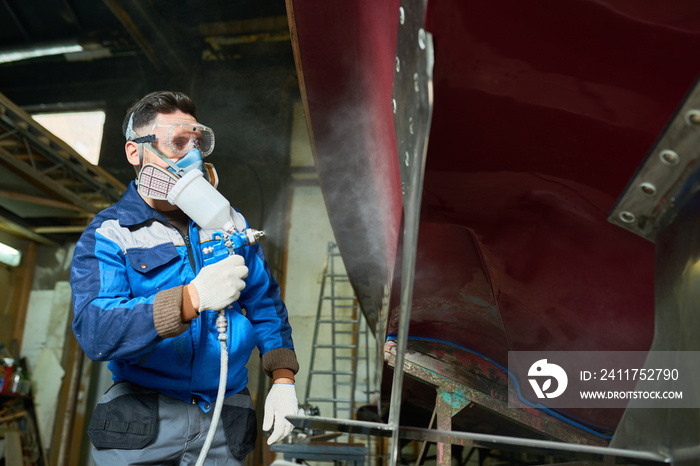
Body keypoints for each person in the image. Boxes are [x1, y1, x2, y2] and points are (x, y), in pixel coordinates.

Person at [71, 90, 299, 465]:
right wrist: (188, 300)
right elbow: (96, 330)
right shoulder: (111, 233)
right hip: (143, 418)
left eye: (197, 144)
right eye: (178, 144)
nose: (192, 157)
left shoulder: (229, 223)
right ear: (135, 152)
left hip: (226, 414)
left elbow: (266, 304)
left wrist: (283, 378)